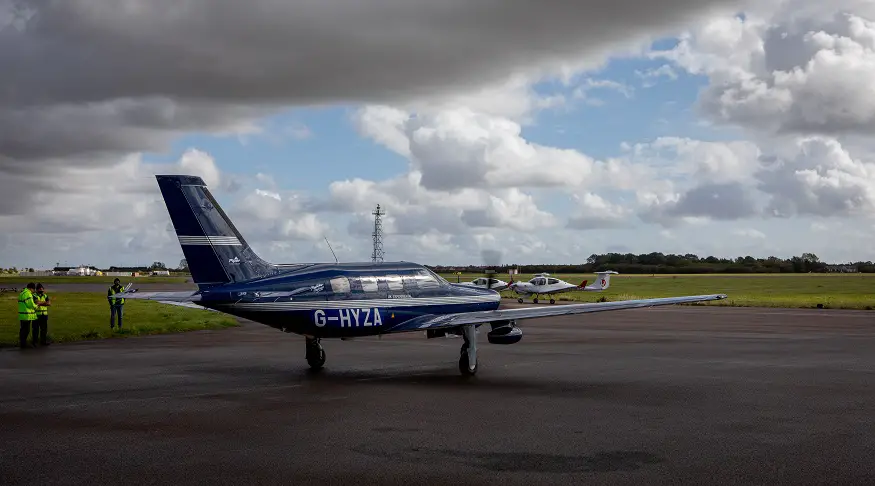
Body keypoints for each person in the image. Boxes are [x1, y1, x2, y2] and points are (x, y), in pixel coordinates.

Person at [17, 282, 37, 348]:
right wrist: (36, 306)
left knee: (22, 330)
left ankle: (22, 343)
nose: (34, 291)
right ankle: (23, 344)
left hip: (22, 315)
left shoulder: (22, 293)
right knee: (26, 330)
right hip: (26, 315)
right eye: (34, 289)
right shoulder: (28, 294)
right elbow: (30, 304)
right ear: (31, 288)